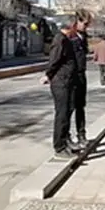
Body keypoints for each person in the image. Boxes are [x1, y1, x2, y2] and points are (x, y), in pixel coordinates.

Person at [41, 12, 86, 159]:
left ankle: (66, 141)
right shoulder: (60, 40)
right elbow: (54, 61)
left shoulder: (67, 39)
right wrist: (48, 74)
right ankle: (59, 147)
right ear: (72, 26)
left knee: (68, 111)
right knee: (62, 114)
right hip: (61, 82)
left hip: (68, 81)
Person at [69, 10, 92, 149]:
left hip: (81, 75)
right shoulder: (70, 37)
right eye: (85, 24)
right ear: (77, 21)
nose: (86, 26)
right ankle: (67, 137)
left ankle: (81, 134)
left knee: (80, 107)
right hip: (72, 76)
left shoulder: (83, 37)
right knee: (70, 108)